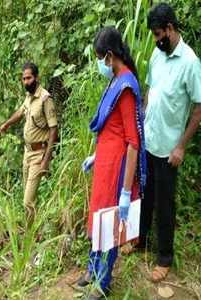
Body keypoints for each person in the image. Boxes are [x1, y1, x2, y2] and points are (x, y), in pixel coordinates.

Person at [131, 2, 201, 282]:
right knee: (145, 196)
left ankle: (164, 258)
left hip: (169, 149)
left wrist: (181, 146)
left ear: (170, 29)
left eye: (159, 34)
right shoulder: (158, 55)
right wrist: (144, 119)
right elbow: (151, 91)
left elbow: (198, 109)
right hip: (149, 142)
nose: (157, 40)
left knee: (164, 203)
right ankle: (141, 239)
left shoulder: (191, 62)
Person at [76, 27, 147, 299]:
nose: (98, 63)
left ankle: (103, 282)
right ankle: (91, 270)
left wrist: (127, 191)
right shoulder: (115, 79)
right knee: (98, 219)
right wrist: (96, 156)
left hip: (117, 167)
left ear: (109, 56)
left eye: (98, 57)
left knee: (110, 224)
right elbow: (112, 127)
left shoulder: (127, 86)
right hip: (105, 162)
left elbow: (132, 141)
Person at [0, 62, 58, 226]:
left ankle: (30, 237)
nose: (26, 82)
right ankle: (33, 230)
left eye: (29, 78)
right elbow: (21, 111)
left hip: (39, 154)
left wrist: (46, 159)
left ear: (37, 78)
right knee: (27, 196)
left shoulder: (45, 99)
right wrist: (7, 124)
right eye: (24, 79)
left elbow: (53, 130)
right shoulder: (29, 97)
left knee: (27, 202)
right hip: (27, 153)